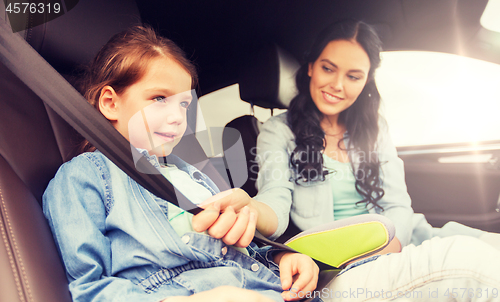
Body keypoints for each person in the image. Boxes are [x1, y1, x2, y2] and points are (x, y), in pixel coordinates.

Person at [42, 25, 318, 302]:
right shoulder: (84, 176)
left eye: (184, 104)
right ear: (111, 103)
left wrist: (281, 259)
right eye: (159, 98)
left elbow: (233, 253)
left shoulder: (191, 174)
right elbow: (89, 287)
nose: (177, 117)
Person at [252, 19, 500, 250]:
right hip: (344, 257)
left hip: (403, 241)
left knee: (486, 246)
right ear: (311, 68)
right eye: (328, 69)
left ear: (365, 81)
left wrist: (389, 251)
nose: (338, 85)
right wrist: (252, 212)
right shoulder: (279, 132)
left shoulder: (375, 127)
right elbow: (275, 197)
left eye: (353, 76)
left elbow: (398, 206)